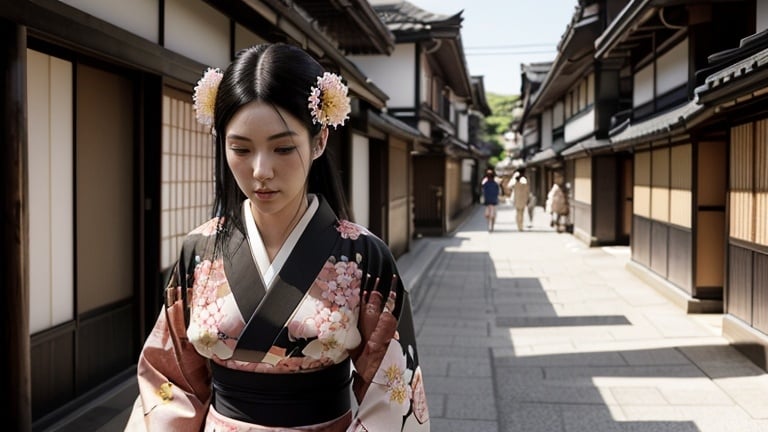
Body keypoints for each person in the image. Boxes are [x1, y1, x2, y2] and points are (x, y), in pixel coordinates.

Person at [126, 43, 430, 432]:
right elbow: (168, 381)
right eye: (240, 149)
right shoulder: (199, 252)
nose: (261, 171)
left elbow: (392, 390)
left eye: (283, 148)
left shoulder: (364, 257)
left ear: (319, 141)